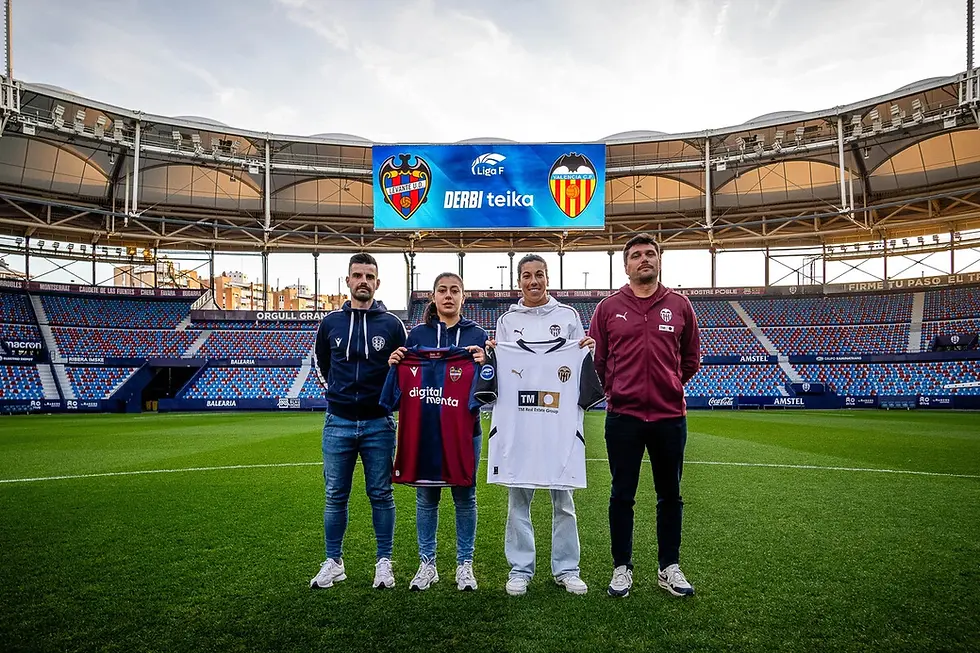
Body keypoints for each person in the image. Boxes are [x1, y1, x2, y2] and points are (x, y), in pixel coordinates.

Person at [587, 233, 701, 598]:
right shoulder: (607, 308)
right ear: (626, 266)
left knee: (671, 495)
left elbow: (690, 359)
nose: (644, 259)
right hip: (623, 416)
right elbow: (599, 362)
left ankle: (669, 566)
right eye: (636, 255)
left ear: (659, 260)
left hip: (669, 417)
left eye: (650, 253)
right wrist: (618, 389)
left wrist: (668, 384)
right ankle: (622, 567)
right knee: (622, 495)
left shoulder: (680, 305)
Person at [489, 254, 594, 596]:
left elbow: (579, 362)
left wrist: (586, 350)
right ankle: (520, 569)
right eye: (527, 276)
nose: (533, 281)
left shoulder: (568, 316)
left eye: (539, 275)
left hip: (556, 423)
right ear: (518, 281)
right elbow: (502, 369)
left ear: (548, 278)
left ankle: (567, 569)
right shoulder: (507, 320)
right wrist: (492, 354)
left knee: (563, 499)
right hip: (521, 424)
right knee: (518, 497)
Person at [309, 252, 407, 590]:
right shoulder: (331, 323)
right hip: (338, 422)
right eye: (357, 275)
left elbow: (403, 370)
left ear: (377, 283)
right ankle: (333, 561)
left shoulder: (392, 325)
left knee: (381, 494)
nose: (363, 281)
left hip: (379, 423)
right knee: (335, 494)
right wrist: (336, 394)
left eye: (369, 276)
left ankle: (384, 562)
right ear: (348, 281)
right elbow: (322, 363)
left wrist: (388, 403)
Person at [387, 272, 488, 591]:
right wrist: (396, 361)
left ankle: (464, 564)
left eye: (454, 290)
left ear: (463, 296)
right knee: (426, 496)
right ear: (433, 297)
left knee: (465, 495)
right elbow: (395, 392)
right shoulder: (416, 335)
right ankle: (427, 564)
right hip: (424, 429)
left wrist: (485, 362)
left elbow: (488, 381)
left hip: (464, 429)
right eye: (442, 290)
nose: (448, 296)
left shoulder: (477, 334)